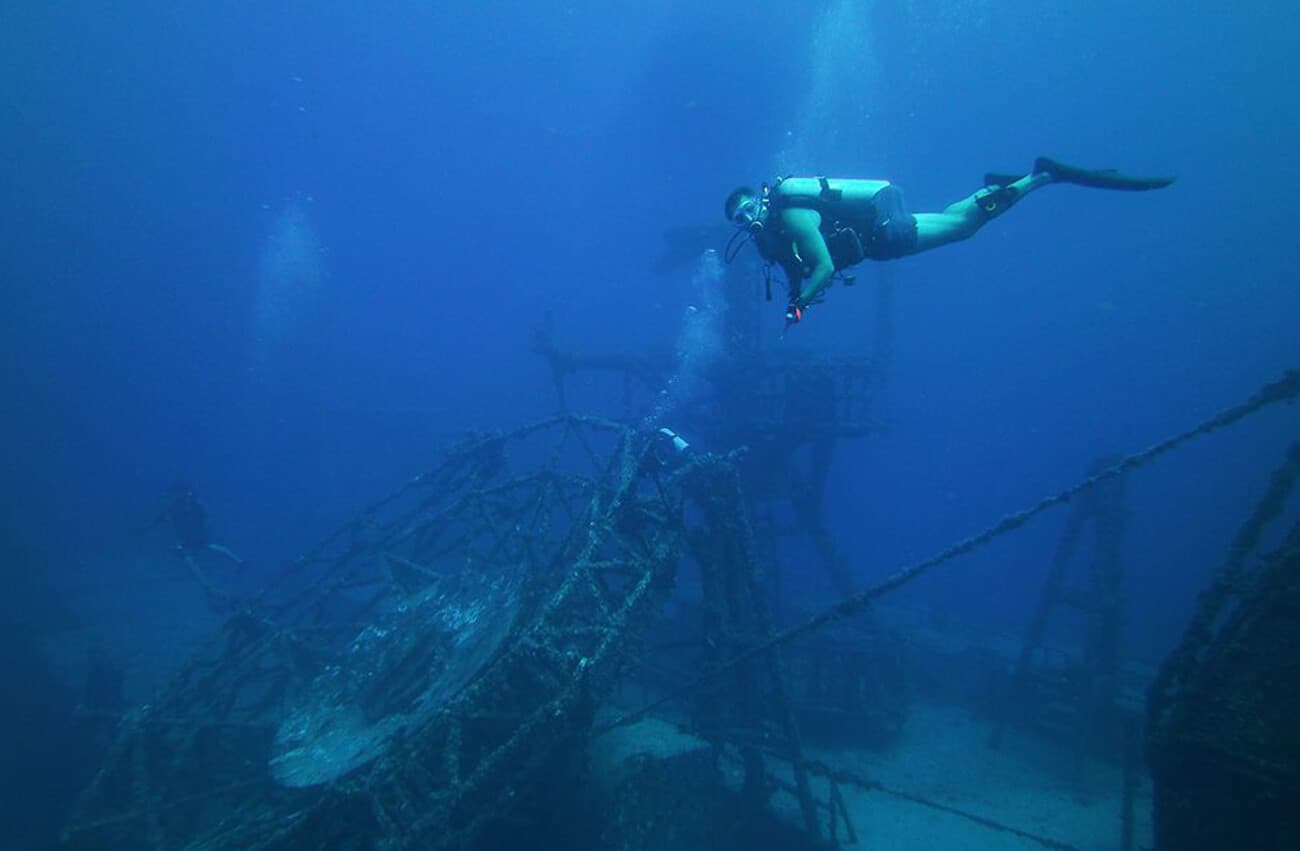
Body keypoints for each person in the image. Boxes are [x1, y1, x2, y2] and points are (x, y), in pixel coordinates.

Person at [723, 156, 1174, 326]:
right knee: (956, 223)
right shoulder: (770, 242)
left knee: (961, 228)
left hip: (883, 230)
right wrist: (795, 294)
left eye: (749, 210)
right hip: (874, 233)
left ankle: (1040, 177)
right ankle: (1016, 182)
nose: (748, 221)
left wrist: (798, 306)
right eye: (739, 220)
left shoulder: (793, 214)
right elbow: (797, 271)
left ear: (761, 203)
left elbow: (820, 267)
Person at [154, 480, 245, 569]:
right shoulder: (190, 501)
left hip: (190, 533)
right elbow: (205, 516)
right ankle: (237, 560)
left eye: (174, 492)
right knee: (207, 547)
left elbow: (171, 517)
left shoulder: (181, 503)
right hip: (195, 532)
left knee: (186, 553)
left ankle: (204, 583)